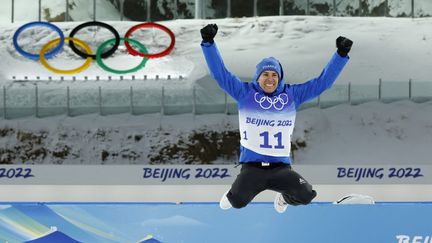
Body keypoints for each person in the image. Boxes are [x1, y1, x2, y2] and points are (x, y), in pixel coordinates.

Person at [200, 23, 352, 213]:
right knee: (237, 202)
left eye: (274, 75)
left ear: (279, 78)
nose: (270, 78)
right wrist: (208, 43)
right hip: (252, 168)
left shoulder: (292, 95)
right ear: (258, 77)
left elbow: (323, 83)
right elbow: (220, 74)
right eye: (265, 74)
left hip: (281, 169)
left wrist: (340, 55)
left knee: (306, 195)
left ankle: (283, 197)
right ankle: (233, 195)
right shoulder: (244, 93)